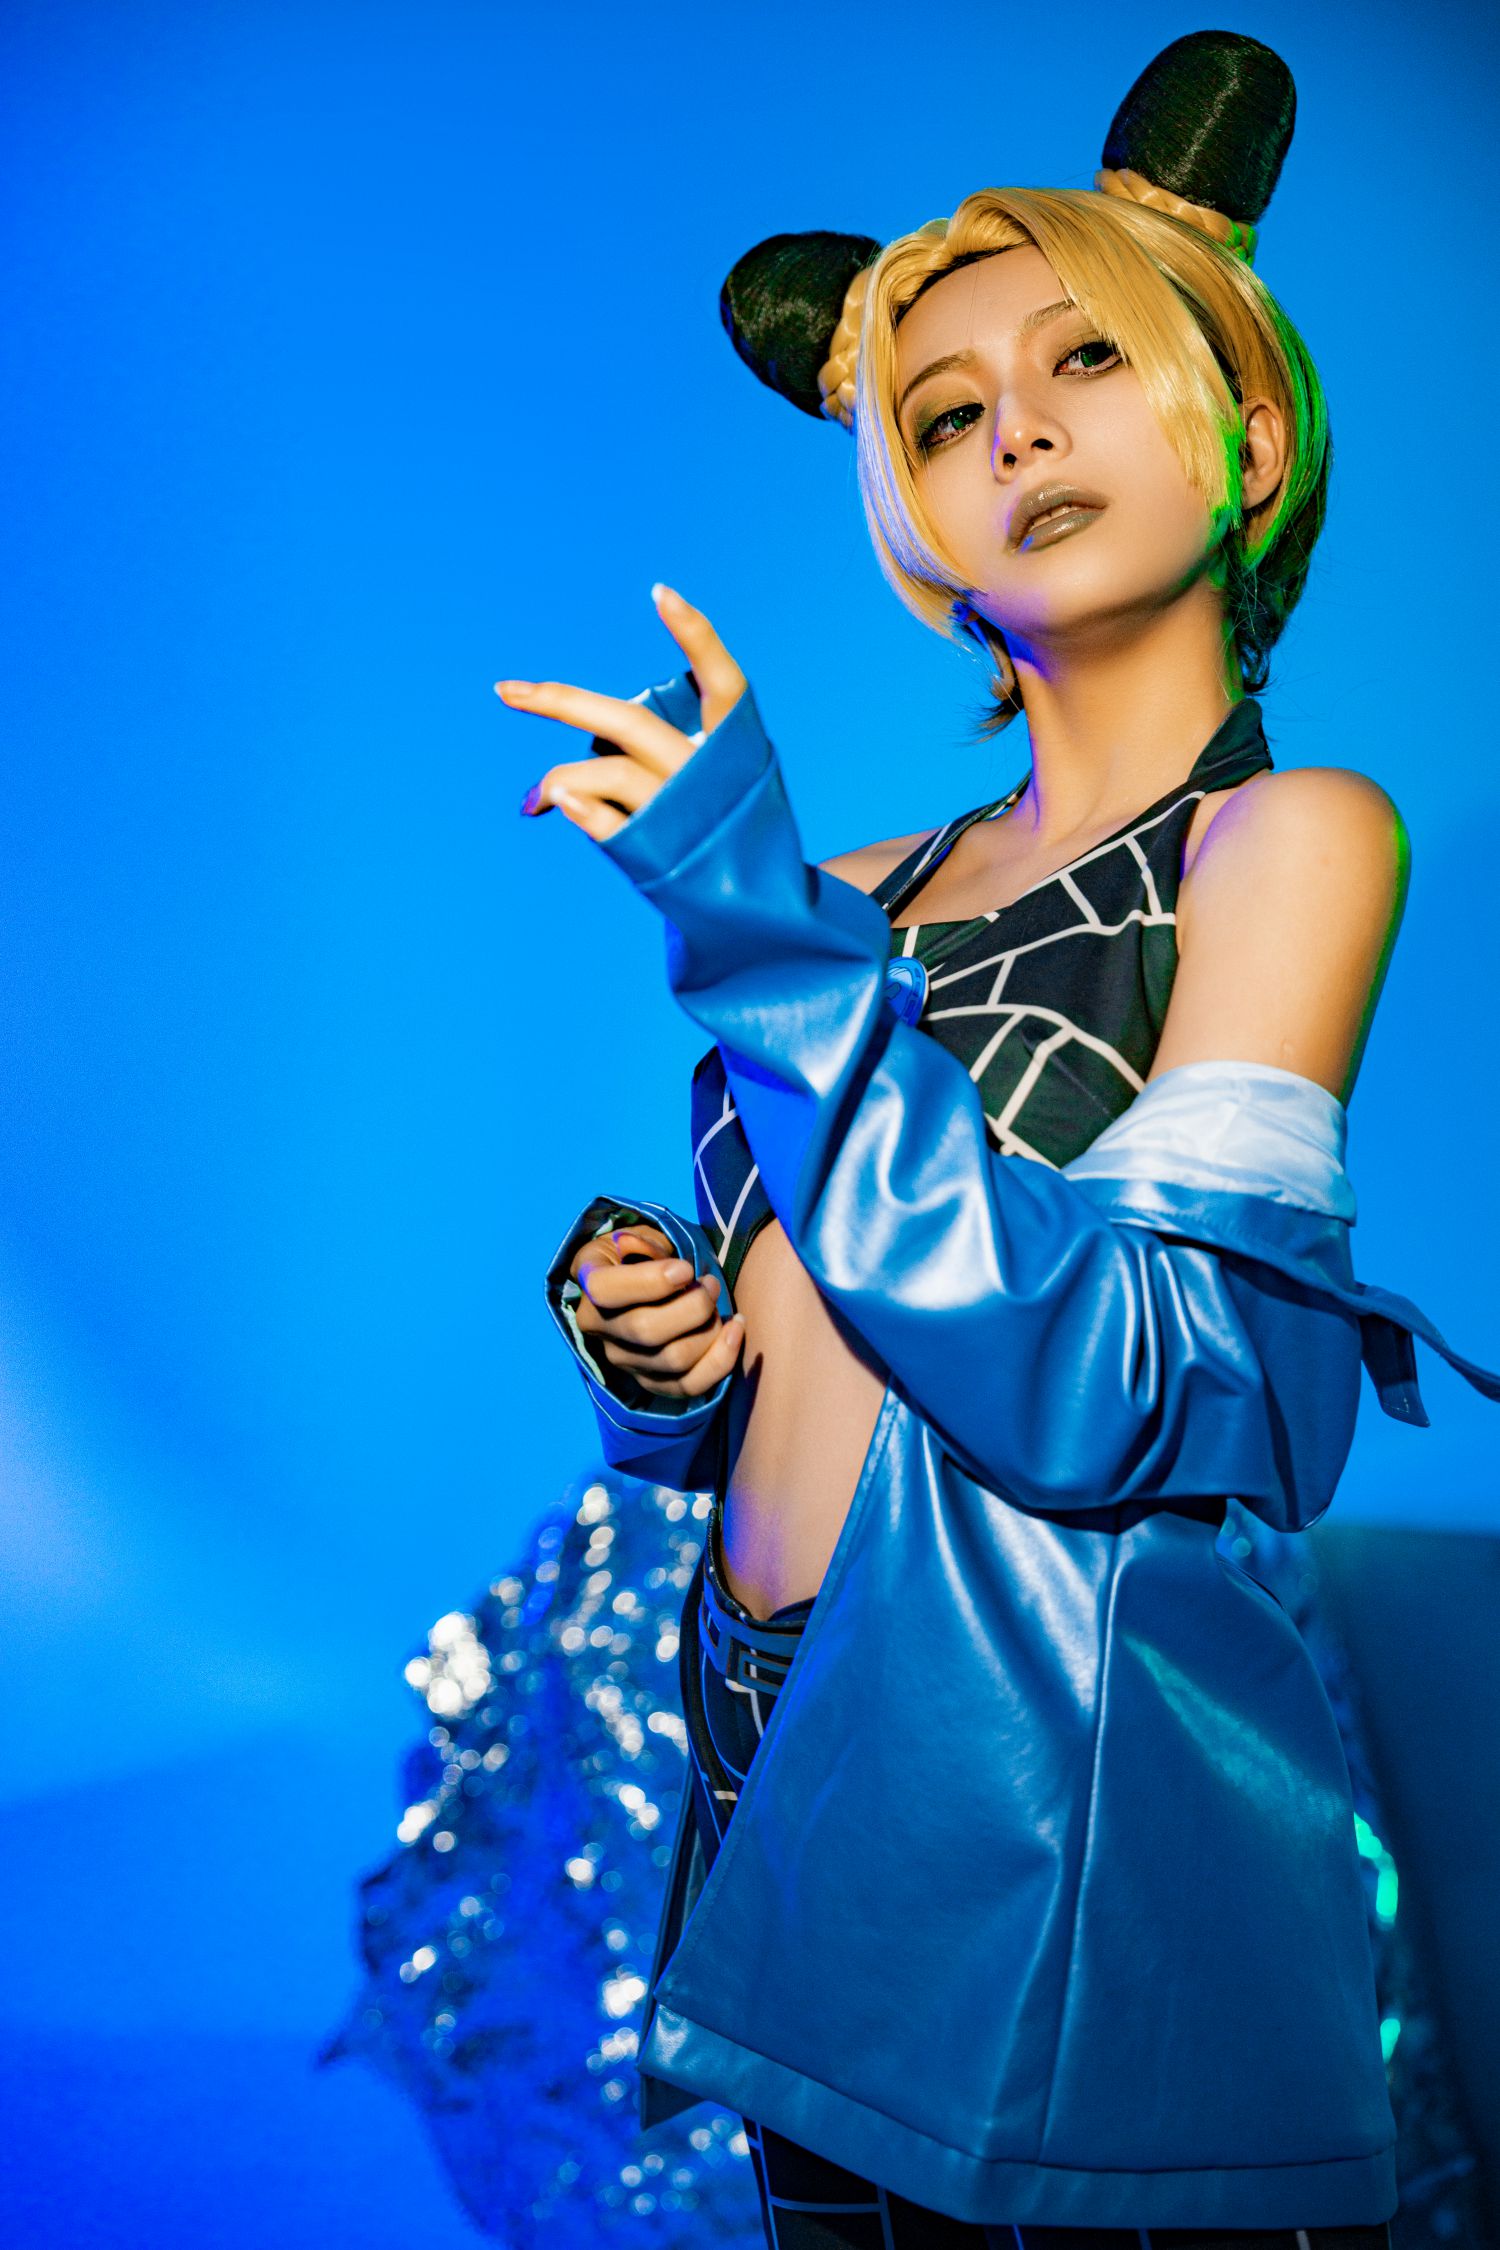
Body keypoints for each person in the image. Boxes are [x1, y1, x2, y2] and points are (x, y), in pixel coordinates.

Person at [507, 33, 1500, 2250]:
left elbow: (1134, 1381)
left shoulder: (1282, 845)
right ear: (918, 528)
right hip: (762, 1739)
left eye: (1087, 360)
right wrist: (664, 1358)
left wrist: (745, 922)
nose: (1017, 429)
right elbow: (816, 1340)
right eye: (945, 414)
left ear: (1250, 430)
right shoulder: (844, 888)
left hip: (1053, 1778)